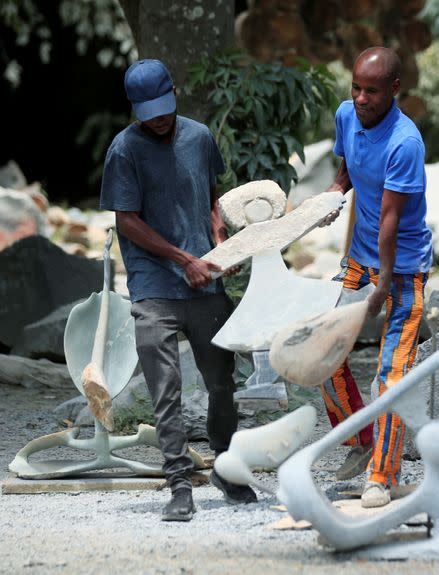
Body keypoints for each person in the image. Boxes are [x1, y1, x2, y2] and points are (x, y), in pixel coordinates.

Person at [100, 59, 256, 521]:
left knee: (222, 383)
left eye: (164, 106)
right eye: (148, 111)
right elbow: (126, 221)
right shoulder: (123, 151)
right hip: (154, 287)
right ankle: (178, 482)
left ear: (174, 91)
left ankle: (226, 467)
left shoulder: (199, 137)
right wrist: (182, 259)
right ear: (135, 109)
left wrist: (220, 243)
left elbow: (210, 197)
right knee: (165, 388)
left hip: (205, 282)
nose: (159, 118)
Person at [321, 46, 432, 508]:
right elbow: (348, 164)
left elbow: (389, 219)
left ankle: (382, 476)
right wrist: (334, 190)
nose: (362, 98)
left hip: (402, 270)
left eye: (372, 90)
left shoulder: (405, 142)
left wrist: (384, 283)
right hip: (360, 260)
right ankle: (362, 442)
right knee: (323, 351)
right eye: (356, 88)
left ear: (394, 89)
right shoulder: (346, 115)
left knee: (391, 373)